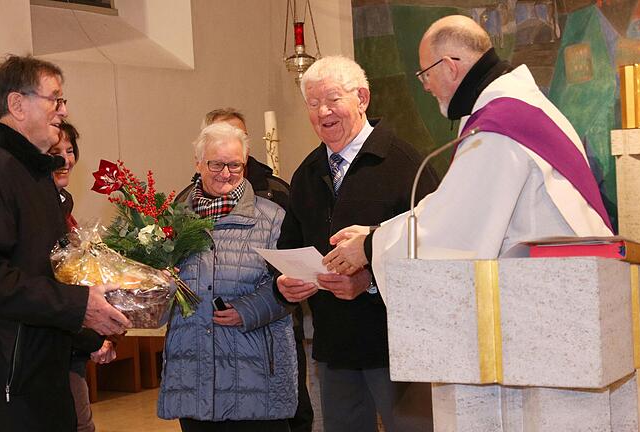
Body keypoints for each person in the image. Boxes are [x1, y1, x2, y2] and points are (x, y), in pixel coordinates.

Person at [323, 15, 613, 284]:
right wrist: (377, 233)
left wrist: (370, 248)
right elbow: (451, 204)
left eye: (425, 75)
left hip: (559, 288)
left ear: (449, 67)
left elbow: (456, 231)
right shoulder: (517, 108)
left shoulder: (498, 128)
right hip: (564, 280)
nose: (425, 86)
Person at [0, 54, 131, 432]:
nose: (63, 110)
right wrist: (78, 306)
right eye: (55, 99)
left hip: (35, 381)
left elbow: (44, 276)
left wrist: (89, 328)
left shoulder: (34, 177)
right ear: (17, 105)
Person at [274, 55, 439, 432]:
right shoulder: (307, 173)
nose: (323, 112)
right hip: (335, 349)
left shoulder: (405, 163)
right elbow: (289, 246)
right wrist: (285, 284)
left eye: (333, 99)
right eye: (313, 104)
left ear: (362, 98)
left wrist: (370, 282)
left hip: (398, 347)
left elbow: (434, 250)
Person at [175, 107, 313, 432]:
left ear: (245, 158)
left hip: (258, 358)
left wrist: (247, 309)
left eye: (234, 163)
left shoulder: (274, 207)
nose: (226, 172)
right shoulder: (177, 212)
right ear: (199, 161)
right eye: (216, 163)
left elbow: (291, 274)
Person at [49, 121, 118, 432]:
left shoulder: (64, 207)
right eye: (55, 152)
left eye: (70, 150)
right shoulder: (45, 209)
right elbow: (50, 289)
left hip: (70, 345)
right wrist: (92, 338)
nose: (66, 159)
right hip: (53, 348)